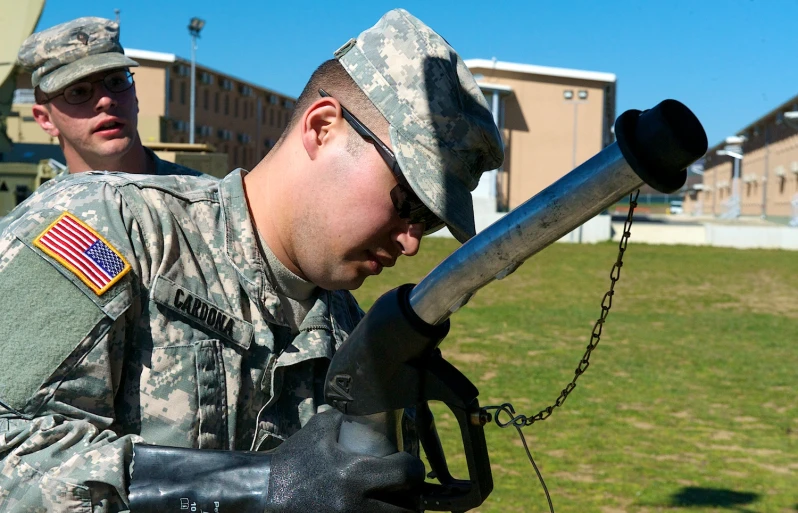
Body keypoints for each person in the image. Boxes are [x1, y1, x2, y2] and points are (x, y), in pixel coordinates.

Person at [0, 8, 503, 512]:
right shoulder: (114, 229)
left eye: (431, 221)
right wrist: (258, 487)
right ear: (323, 127)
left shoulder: (351, 338)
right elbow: (12, 455)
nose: (412, 241)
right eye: (408, 201)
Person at [17, 16, 201, 178]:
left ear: (134, 95)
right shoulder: (39, 217)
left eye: (116, 82)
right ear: (46, 119)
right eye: (78, 92)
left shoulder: (214, 206)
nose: (106, 100)